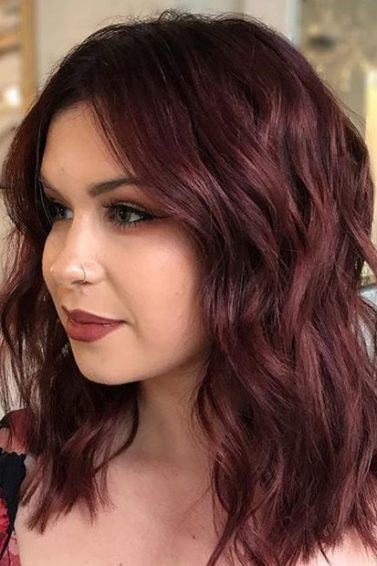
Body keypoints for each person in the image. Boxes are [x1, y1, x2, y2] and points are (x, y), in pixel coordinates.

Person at [0, 8, 377, 566]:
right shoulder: (16, 478)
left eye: (127, 212)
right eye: (57, 209)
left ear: (264, 228)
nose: (65, 264)